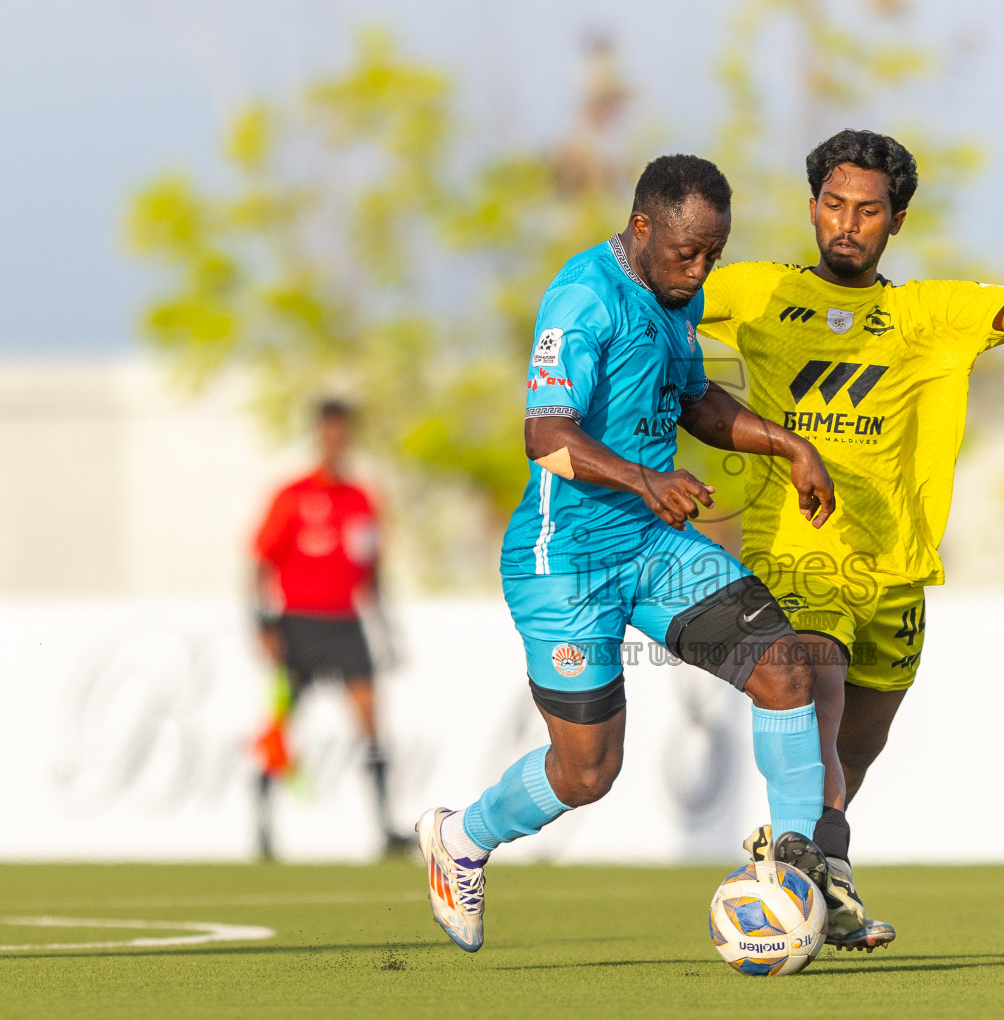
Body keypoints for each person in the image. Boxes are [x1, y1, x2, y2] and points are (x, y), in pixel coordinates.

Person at [700, 129, 1004, 949]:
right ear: (812, 207)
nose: (847, 224)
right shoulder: (751, 291)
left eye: (869, 211)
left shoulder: (930, 312)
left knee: (855, 750)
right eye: (834, 205)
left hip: (899, 566)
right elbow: (650, 298)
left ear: (896, 221)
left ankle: (825, 871)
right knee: (817, 693)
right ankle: (797, 876)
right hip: (797, 546)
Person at [415, 154, 841, 954]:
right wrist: (647, 479)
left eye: (713, 252)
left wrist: (785, 444)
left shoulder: (678, 294)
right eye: (688, 252)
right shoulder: (582, 297)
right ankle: (462, 839)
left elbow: (697, 401)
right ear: (641, 227)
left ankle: (797, 869)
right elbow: (545, 437)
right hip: (565, 563)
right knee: (586, 774)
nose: (701, 269)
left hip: (650, 546)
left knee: (785, 666)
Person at [252, 399, 409, 858]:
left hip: (346, 623)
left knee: (370, 720)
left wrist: (385, 627)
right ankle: (261, 825)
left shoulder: (361, 499)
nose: (335, 440)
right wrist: (263, 624)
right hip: (297, 624)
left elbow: (371, 570)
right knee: (281, 724)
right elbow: (260, 559)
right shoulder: (292, 494)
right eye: (328, 431)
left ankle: (384, 827)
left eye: (342, 432)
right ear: (318, 435)